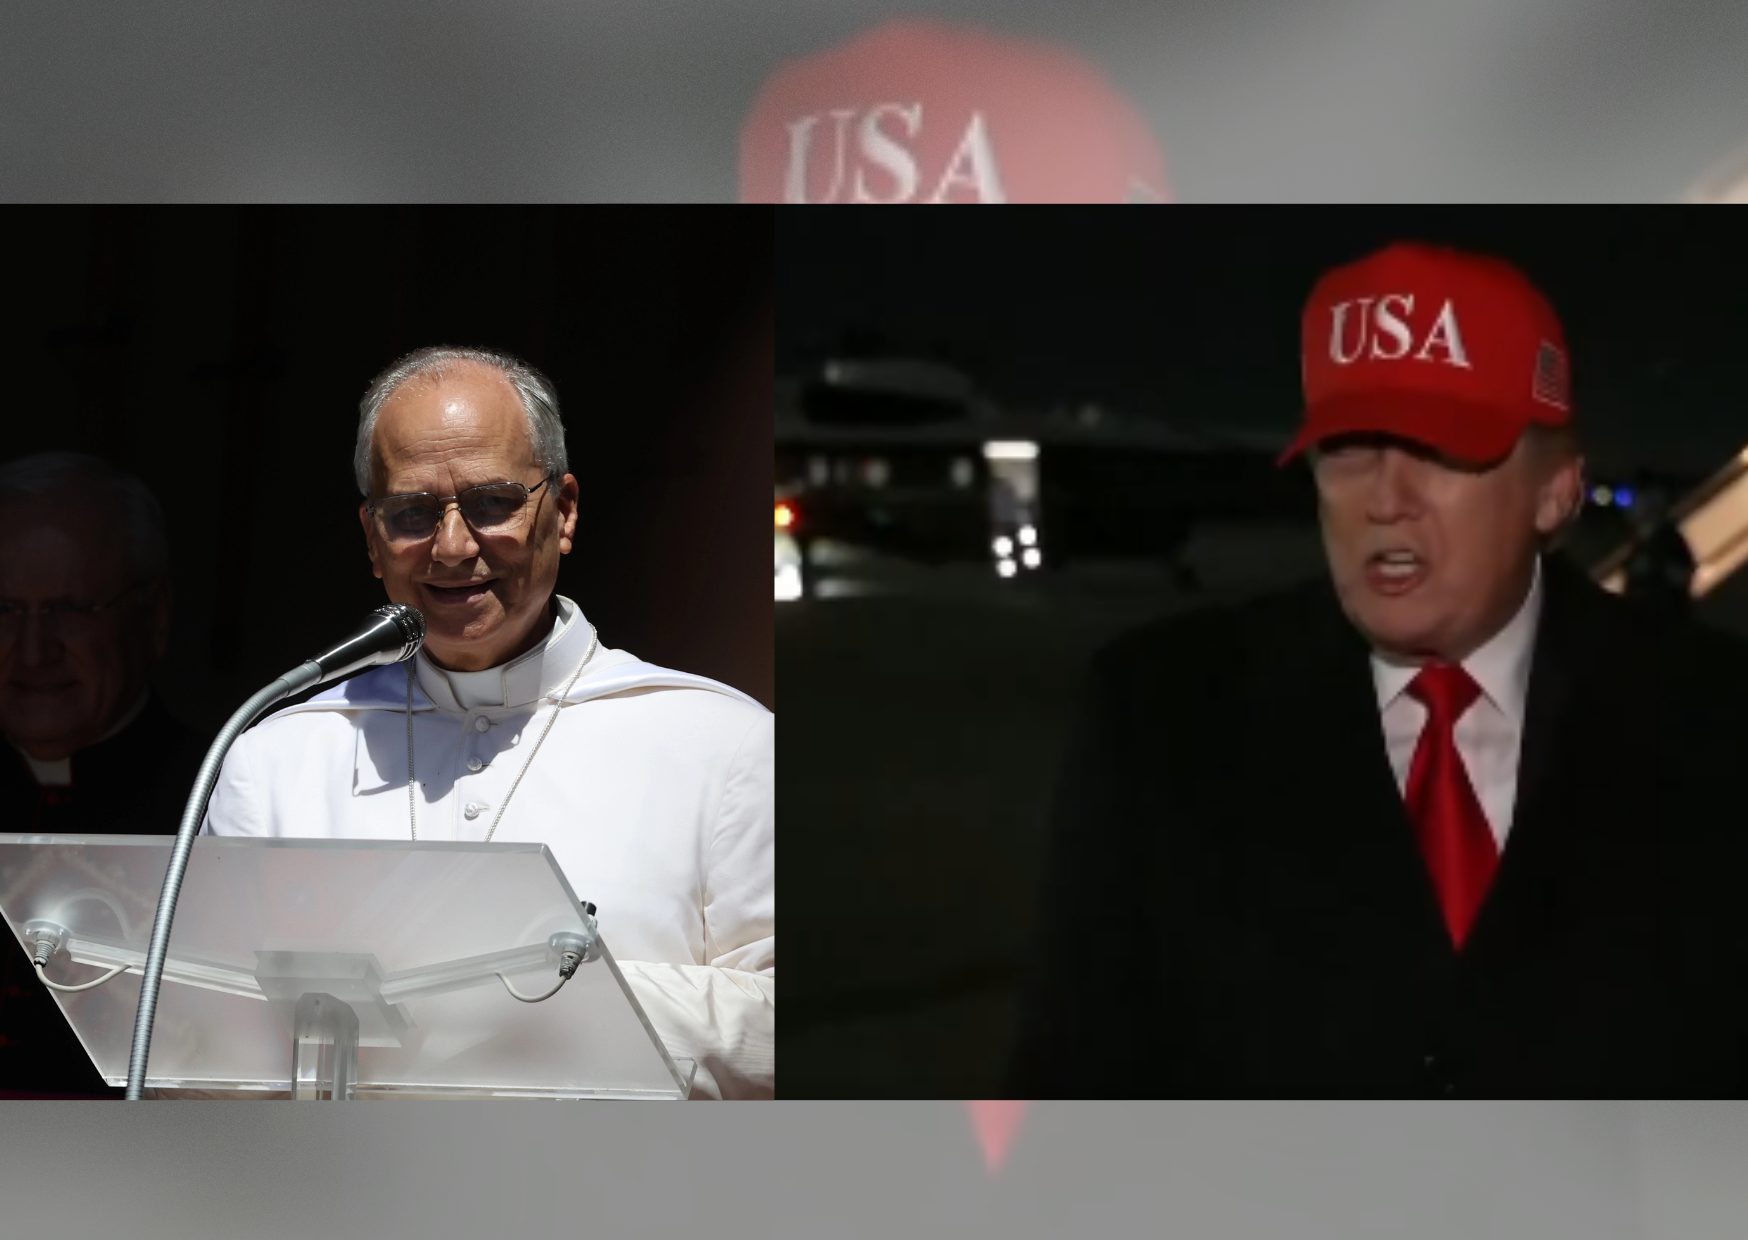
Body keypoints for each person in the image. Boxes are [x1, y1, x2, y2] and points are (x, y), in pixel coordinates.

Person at [1008, 242, 1748, 1097]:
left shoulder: (1716, 720)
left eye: (1443, 447)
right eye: (1348, 447)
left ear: (1557, 490)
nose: (1386, 499)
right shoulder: (1159, 715)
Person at [201, 346, 774, 1099]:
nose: (452, 547)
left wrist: (528, 1003)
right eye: (412, 513)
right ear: (372, 539)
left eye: (493, 503)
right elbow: (198, 1041)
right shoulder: (276, 758)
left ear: (564, 511)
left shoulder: (724, 744)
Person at [0, 451, 207, 1097]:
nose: (34, 650)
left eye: (72, 608)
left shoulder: (219, 799)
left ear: (155, 615)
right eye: (4, 609)